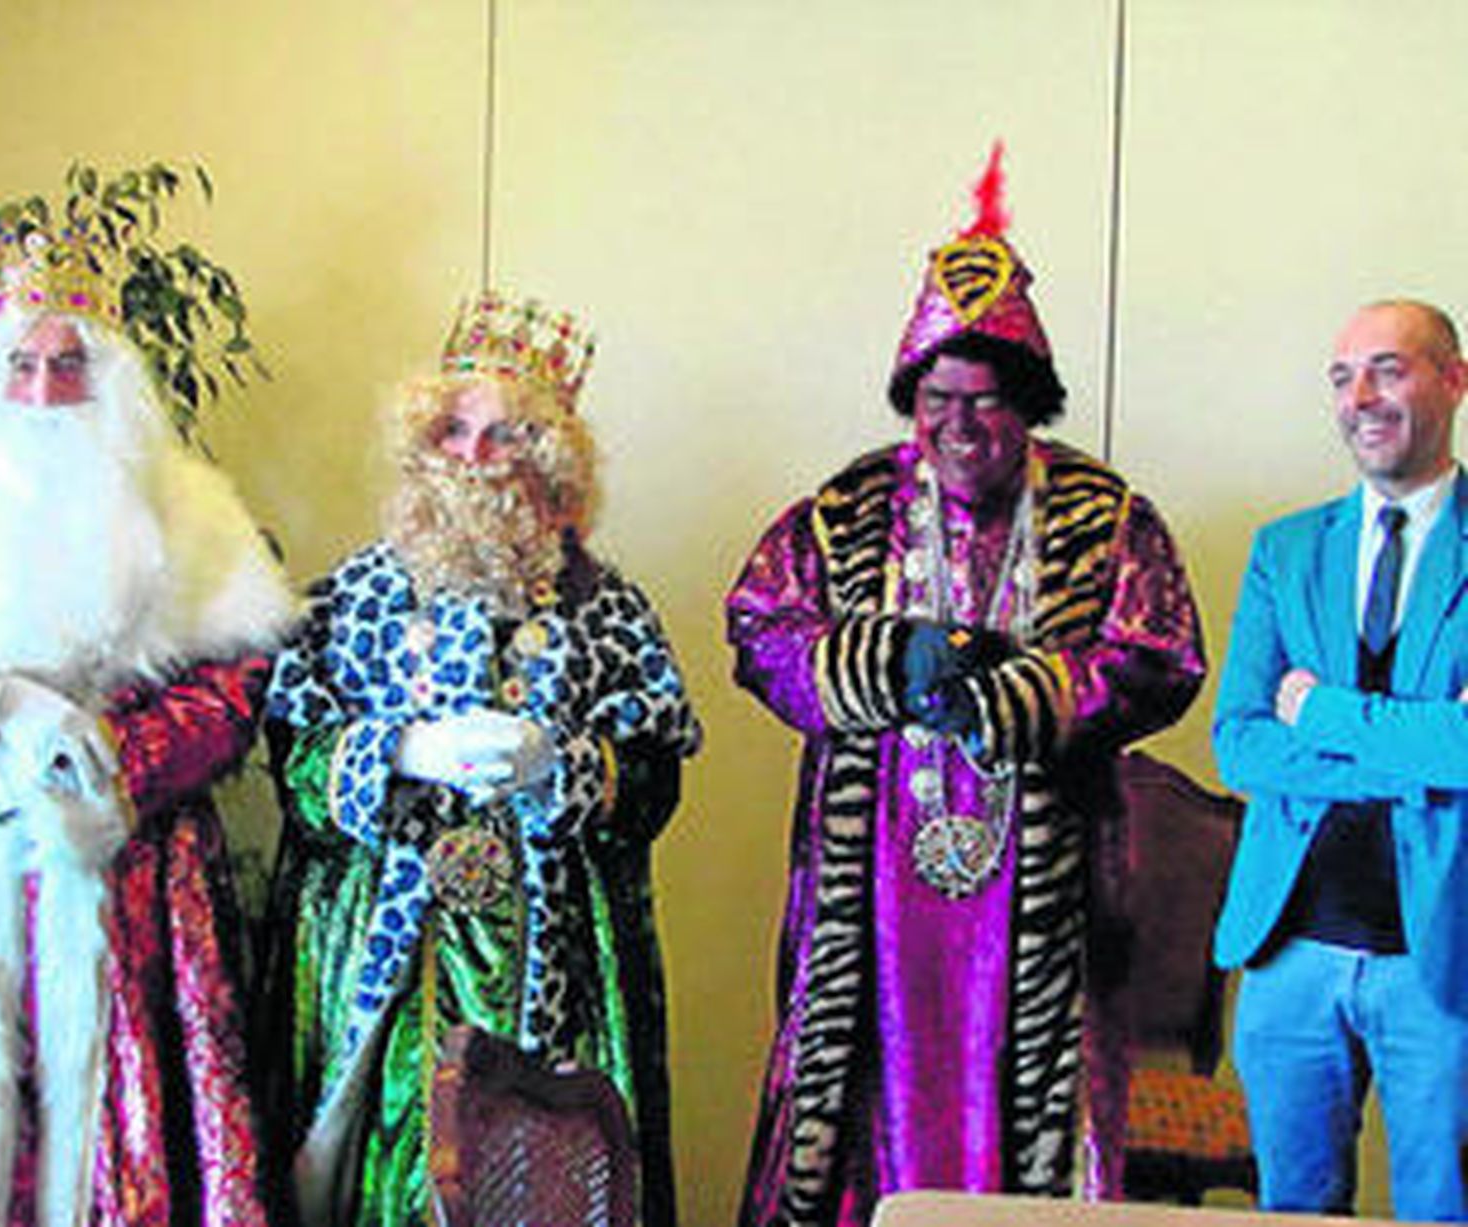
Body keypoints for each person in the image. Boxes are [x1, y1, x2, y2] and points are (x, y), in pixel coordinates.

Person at [727, 149, 1206, 1227]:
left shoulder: (1101, 514)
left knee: (1039, 1102)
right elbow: (757, 629)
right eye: (935, 399)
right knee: (851, 1101)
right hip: (876, 888)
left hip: (1040, 892)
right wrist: (875, 665)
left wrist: (1033, 692)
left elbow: (1160, 655)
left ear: (1027, 404)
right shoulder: (841, 511)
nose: (957, 426)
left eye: (984, 403)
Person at [0, 236, 293, 1225]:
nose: (48, 390)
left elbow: (236, 691)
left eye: (72, 365)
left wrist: (108, 762)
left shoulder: (191, 512)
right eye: (22, 365)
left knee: (125, 1132)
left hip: (132, 868)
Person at [255, 290, 701, 1227]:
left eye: (503, 436)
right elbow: (297, 771)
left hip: (560, 970)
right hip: (391, 962)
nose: (473, 458)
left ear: (547, 458)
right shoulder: (348, 598)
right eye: (454, 430)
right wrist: (401, 748)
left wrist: (563, 765)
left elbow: (654, 782)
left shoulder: (608, 609)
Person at [1213, 299, 1468, 1220]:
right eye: (1342, 375)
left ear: (1454, 379)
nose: (1362, 396)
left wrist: (1321, 710)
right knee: (1295, 1212)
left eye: (1390, 368)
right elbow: (1239, 738)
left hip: (1443, 960)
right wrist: (1416, 748)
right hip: (1289, 955)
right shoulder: (1283, 550)